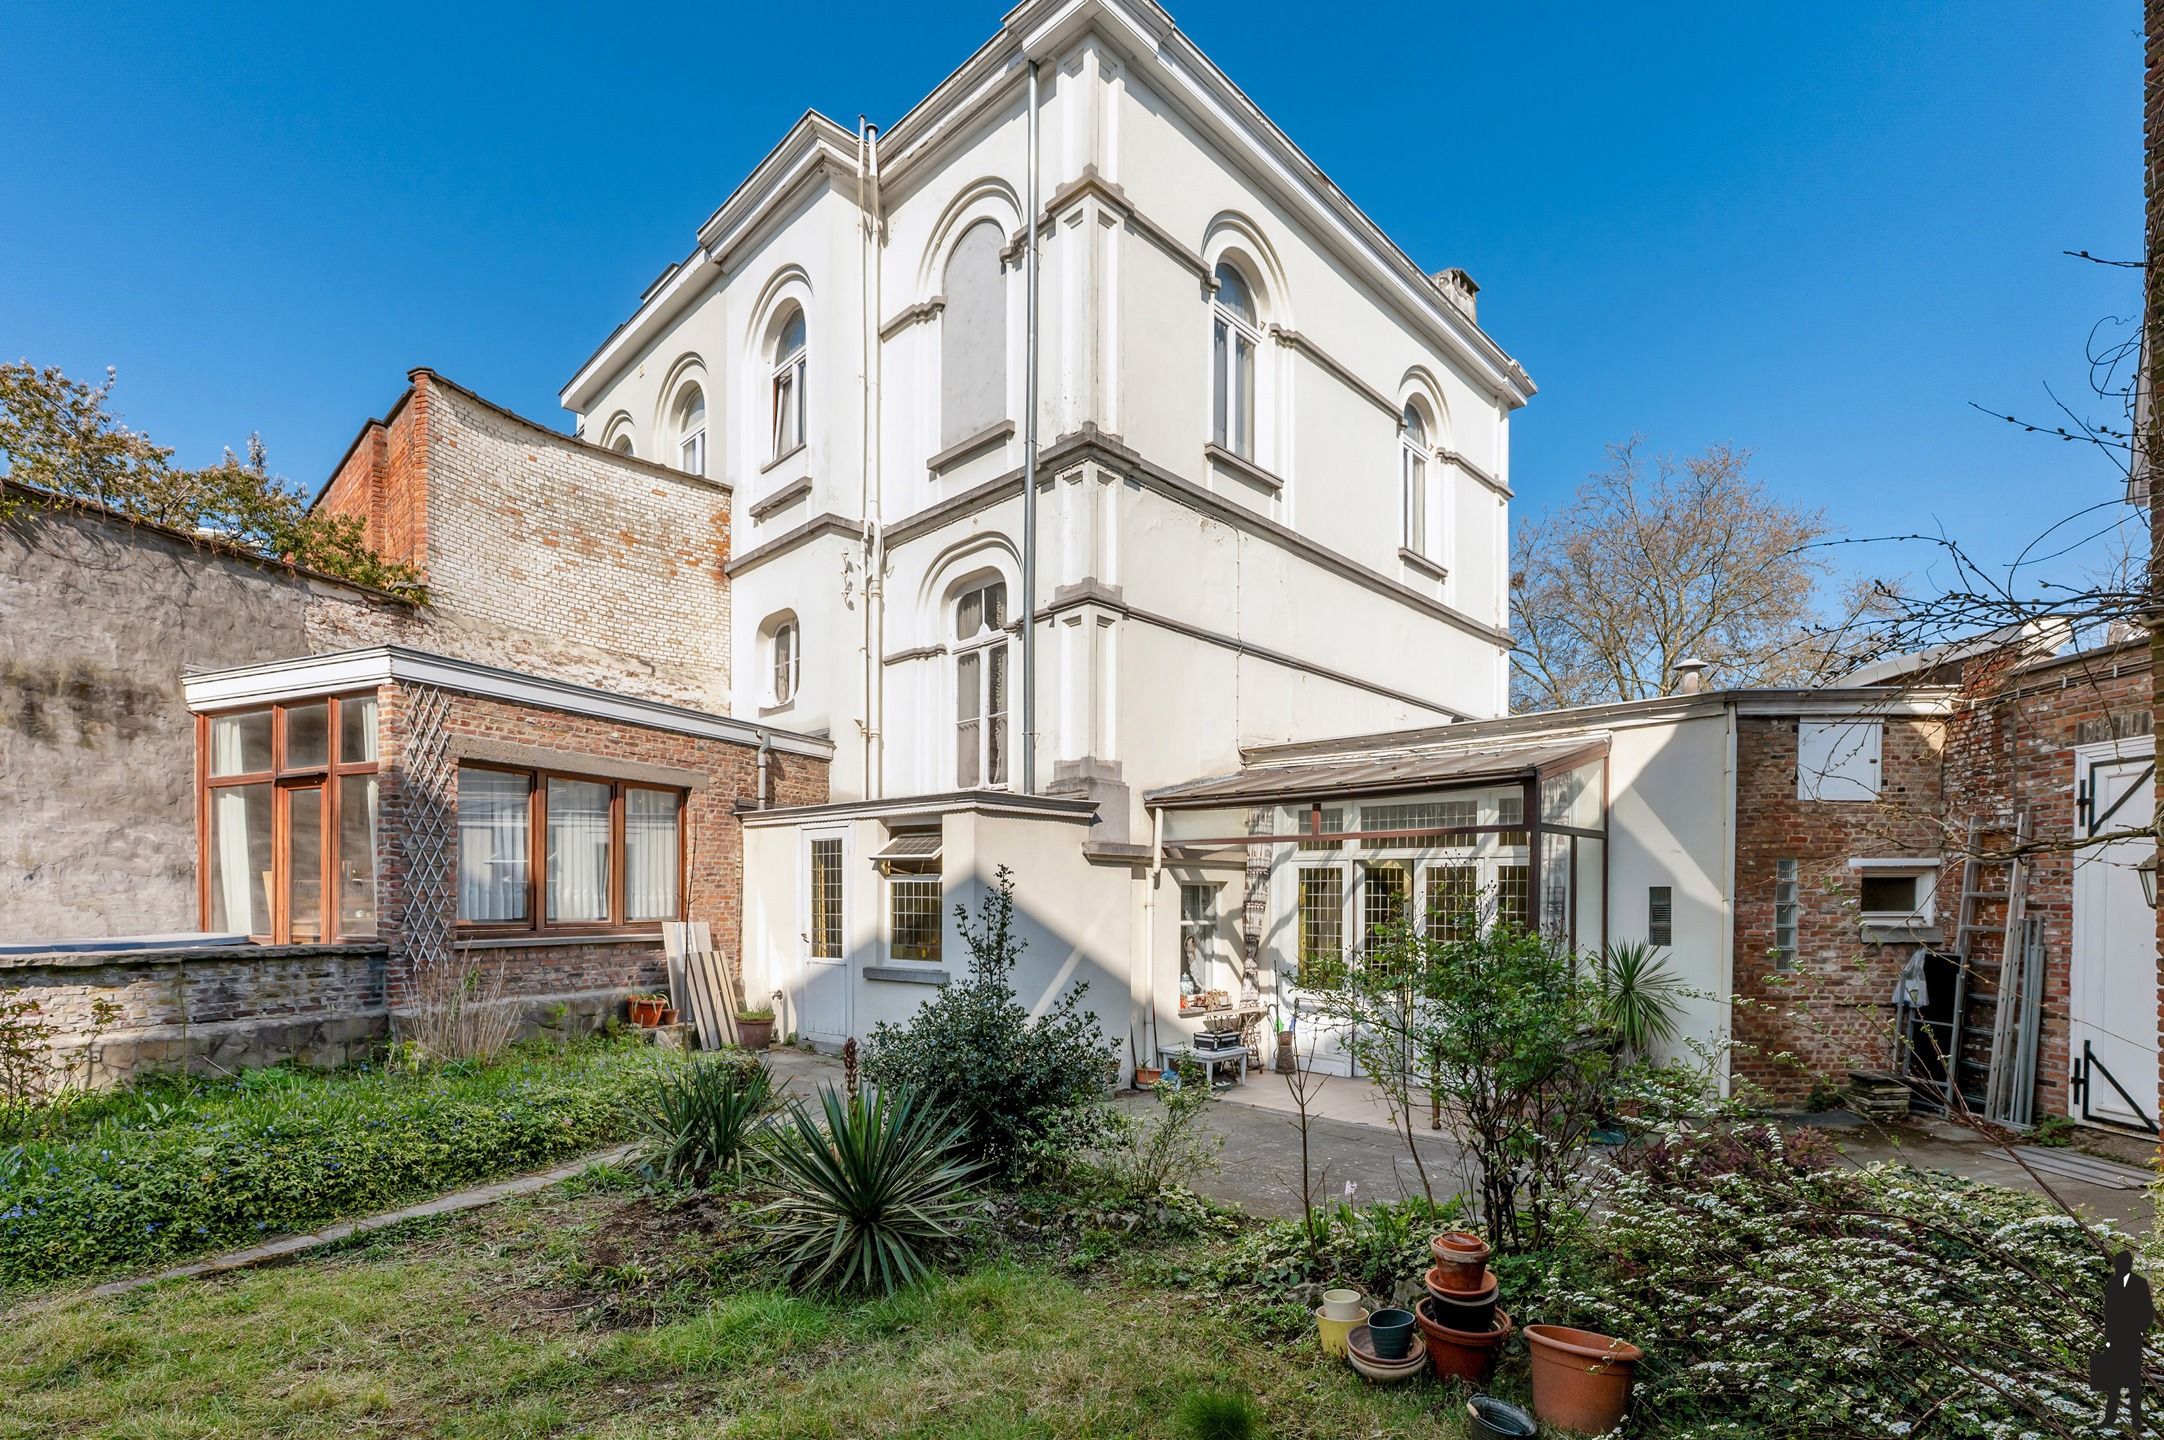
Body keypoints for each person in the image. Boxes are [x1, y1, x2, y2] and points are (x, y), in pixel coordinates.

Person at [2094, 1248, 2153, 1431]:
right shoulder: (2111, 1283)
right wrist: (2108, 1337)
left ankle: (2137, 1422)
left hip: (2133, 1338)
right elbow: (2109, 1312)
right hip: (2116, 1338)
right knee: (2114, 1380)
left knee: (2134, 1381)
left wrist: (2141, 1332)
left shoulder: (2139, 1283)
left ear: (2128, 1264)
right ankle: (2109, 1418)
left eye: (2122, 1264)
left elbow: (2147, 1310)